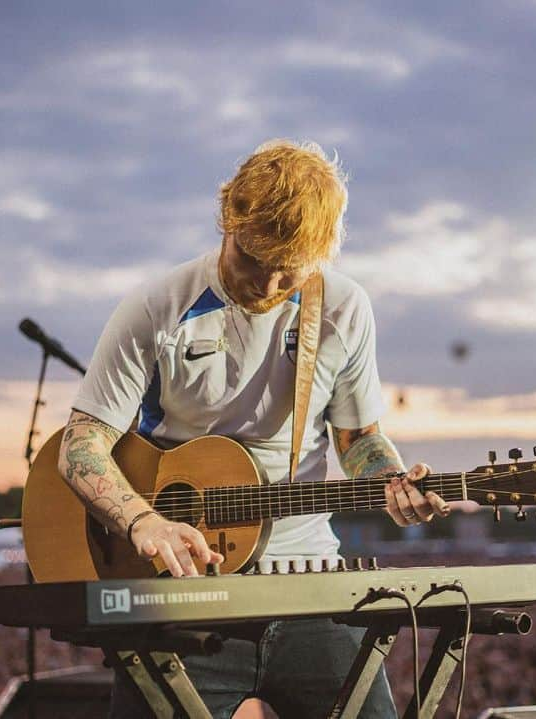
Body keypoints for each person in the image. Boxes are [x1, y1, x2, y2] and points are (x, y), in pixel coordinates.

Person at [57, 139, 450, 719]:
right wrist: (143, 520)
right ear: (228, 220)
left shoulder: (344, 307)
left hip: (310, 580)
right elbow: (80, 445)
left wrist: (390, 478)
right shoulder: (157, 307)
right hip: (184, 588)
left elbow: (357, 437)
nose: (267, 285)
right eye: (253, 259)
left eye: (287, 272)